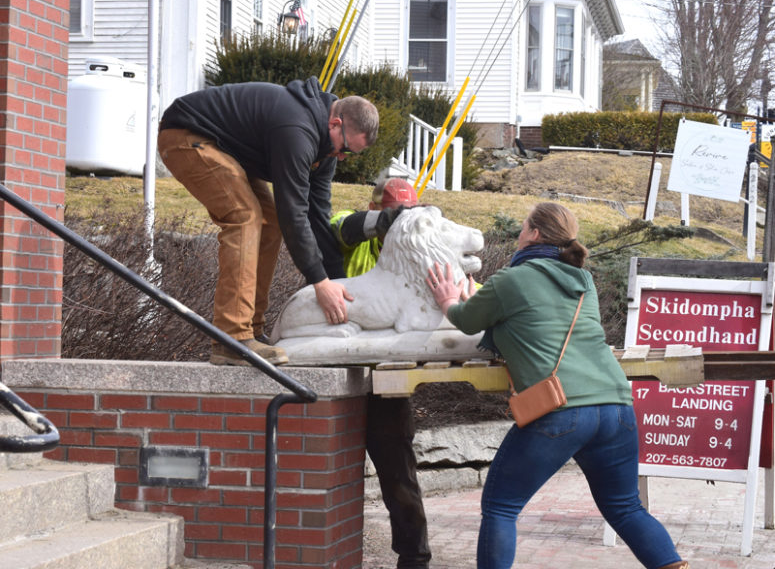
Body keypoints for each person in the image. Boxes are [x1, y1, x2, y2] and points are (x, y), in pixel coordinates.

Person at [426, 202, 688, 569]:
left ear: (534, 234)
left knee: (501, 507)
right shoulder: (584, 281)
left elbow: (467, 321)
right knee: (626, 508)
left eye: (522, 228)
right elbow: (539, 320)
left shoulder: (512, 280)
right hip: (617, 407)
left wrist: (449, 300)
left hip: (561, 411)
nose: (518, 236)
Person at [157, 77, 378, 366]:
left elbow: (318, 216)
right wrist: (319, 282)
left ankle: (251, 330)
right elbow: (294, 211)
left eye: (351, 154)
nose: (343, 157)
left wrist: (336, 284)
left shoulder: (325, 151)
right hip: (185, 134)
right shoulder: (297, 129)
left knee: (269, 222)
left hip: (224, 149)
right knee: (245, 217)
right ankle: (232, 337)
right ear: (335, 123)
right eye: (346, 149)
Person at [330, 177, 432, 569]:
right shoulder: (355, 231)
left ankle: (414, 557)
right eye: (394, 215)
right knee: (332, 470)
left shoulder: (417, 250)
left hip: (388, 379)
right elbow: (339, 226)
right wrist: (383, 221)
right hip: (341, 371)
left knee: (398, 474)